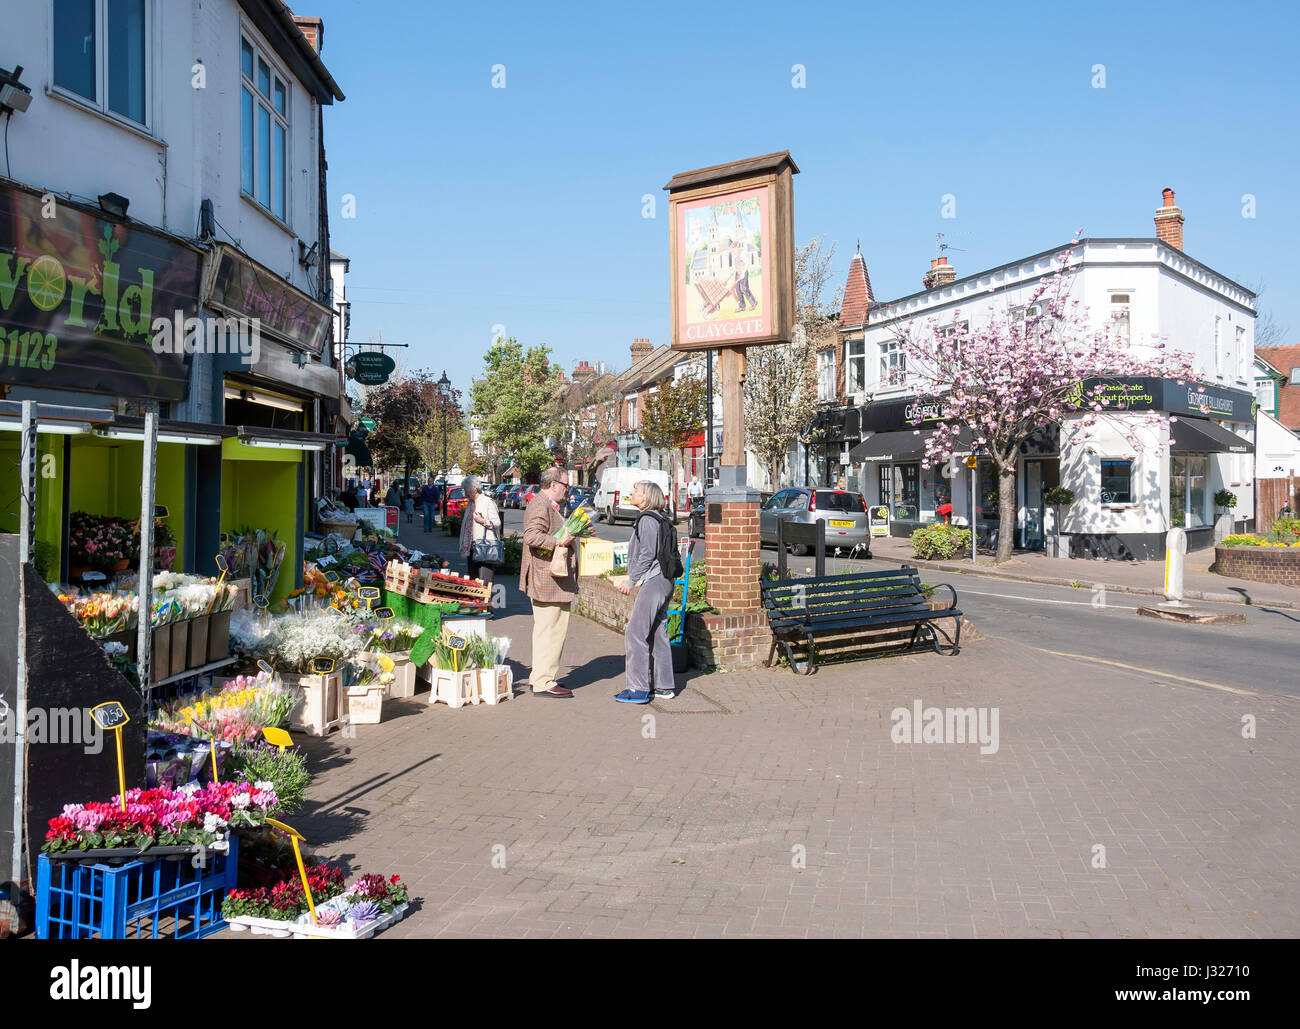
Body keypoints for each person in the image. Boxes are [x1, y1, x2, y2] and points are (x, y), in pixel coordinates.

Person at [615, 481, 677, 704]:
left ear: (646, 497)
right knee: (657, 634)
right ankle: (664, 687)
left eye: (636, 491)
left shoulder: (647, 520)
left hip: (654, 582)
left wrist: (631, 581)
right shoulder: (658, 518)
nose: (631, 493)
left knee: (635, 633)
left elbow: (647, 554)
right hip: (664, 581)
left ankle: (638, 688)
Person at [520, 467, 578, 698]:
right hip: (548, 580)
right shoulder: (539, 504)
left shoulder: (545, 503)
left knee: (547, 630)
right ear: (553, 484)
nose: (567, 490)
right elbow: (531, 536)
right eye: (565, 486)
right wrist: (559, 540)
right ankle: (545, 681)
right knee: (551, 631)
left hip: (551, 579)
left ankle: (540, 678)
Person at [459, 476, 501, 590]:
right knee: (474, 581)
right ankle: (476, 605)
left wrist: (483, 521)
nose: (465, 493)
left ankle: (485, 606)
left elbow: (497, 523)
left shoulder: (487, 502)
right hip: (472, 547)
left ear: (473, 489)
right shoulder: (470, 503)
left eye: (466, 490)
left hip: (485, 548)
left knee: (485, 582)